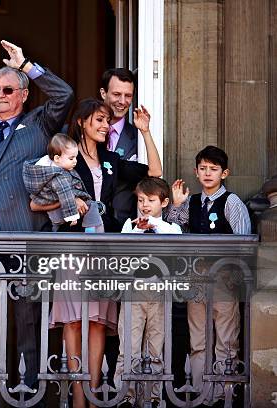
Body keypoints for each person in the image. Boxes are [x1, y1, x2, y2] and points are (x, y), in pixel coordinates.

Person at [0, 40, 74, 406]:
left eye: (8, 89)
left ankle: (29, 392)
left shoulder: (38, 123)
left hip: (26, 239)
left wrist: (26, 65)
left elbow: (64, 94)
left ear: (23, 94)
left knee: (28, 321)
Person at [42, 98, 161, 408]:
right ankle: (78, 399)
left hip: (104, 244)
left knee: (97, 322)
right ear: (82, 121)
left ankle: (93, 398)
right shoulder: (64, 157)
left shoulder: (111, 157)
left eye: (108, 121)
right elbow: (37, 200)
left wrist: (145, 132)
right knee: (73, 321)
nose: (106, 125)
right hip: (71, 243)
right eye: (99, 119)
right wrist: (69, 205)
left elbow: (156, 173)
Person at [167, 145, 251, 406]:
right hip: (196, 281)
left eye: (213, 169)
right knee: (199, 340)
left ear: (224, 173)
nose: (207, 173)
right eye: (202, 168)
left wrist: (236, 279)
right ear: (195, 171)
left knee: (226, 339)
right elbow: (172, 231)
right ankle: (203, 395)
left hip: (224, 280)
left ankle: (224, 397)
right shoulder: (191, 202)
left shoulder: (232, 202)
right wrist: (177, 205)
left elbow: (244, 241)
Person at [115, 177, 181, 408]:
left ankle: (153, 398)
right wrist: (137, 229)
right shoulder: (128, 226)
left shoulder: (171, 227)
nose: (144, 205)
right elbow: (122, 253)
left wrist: (153, 225)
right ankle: (125, 396)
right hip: (134, 292)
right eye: (141, 200)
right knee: (128, 348)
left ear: (163, 203)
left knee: (155, 348)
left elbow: (175, 239)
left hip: (160, 294)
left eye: (151, 200)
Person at [22, 133, 103, 231]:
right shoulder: (59, 177)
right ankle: (92, 232)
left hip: (51, 209)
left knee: (56, 227)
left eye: (75, 157)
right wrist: (72, 216)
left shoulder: (46, 167)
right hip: (61, 211)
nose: (75, 161)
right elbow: (65, 194)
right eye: (71, 158)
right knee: (92, 206)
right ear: (57, 158)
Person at [99, 68, 147, 224]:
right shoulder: (84, 133)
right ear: (103, 93)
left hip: (123, 225)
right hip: (88, 225)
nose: (122, 101)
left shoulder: (137, 138)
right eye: (116, 94)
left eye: (128, 96)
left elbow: (153, 174)